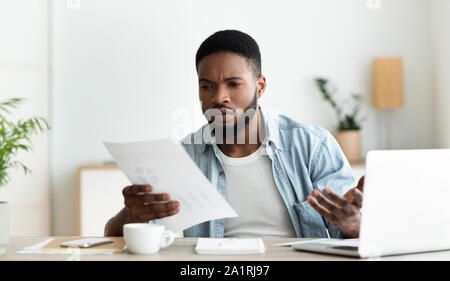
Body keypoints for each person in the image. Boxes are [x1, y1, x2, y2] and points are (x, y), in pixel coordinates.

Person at [104, 30, 364, 238]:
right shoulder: (185, 156)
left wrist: (353, 224)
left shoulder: (312, 146)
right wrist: (132, 215)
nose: (219, 97)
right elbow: (111, 234)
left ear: (259, 87)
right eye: (206, 86)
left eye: (234, 84)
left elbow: (358, 231)